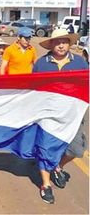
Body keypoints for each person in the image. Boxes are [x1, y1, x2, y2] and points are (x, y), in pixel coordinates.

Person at [32, 28, 88, 204]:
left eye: (64, 41)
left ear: (69, 43)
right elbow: (33, 89)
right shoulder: (41, 64)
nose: (61, 45)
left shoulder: (80, 63)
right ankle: (46, 185)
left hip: (73, 116)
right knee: (45, 149)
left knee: (77, 149)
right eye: (57, 42)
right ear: (52, 44)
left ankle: (58, 166)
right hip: (48, 115)